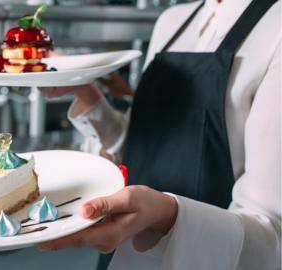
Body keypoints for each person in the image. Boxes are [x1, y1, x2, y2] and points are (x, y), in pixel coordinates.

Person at [38, 0, 281, 269]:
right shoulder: (171, 21)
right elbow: (140, 148)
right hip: (121, 252)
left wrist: (166, 216)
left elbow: (272, 240)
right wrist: (85, 89)